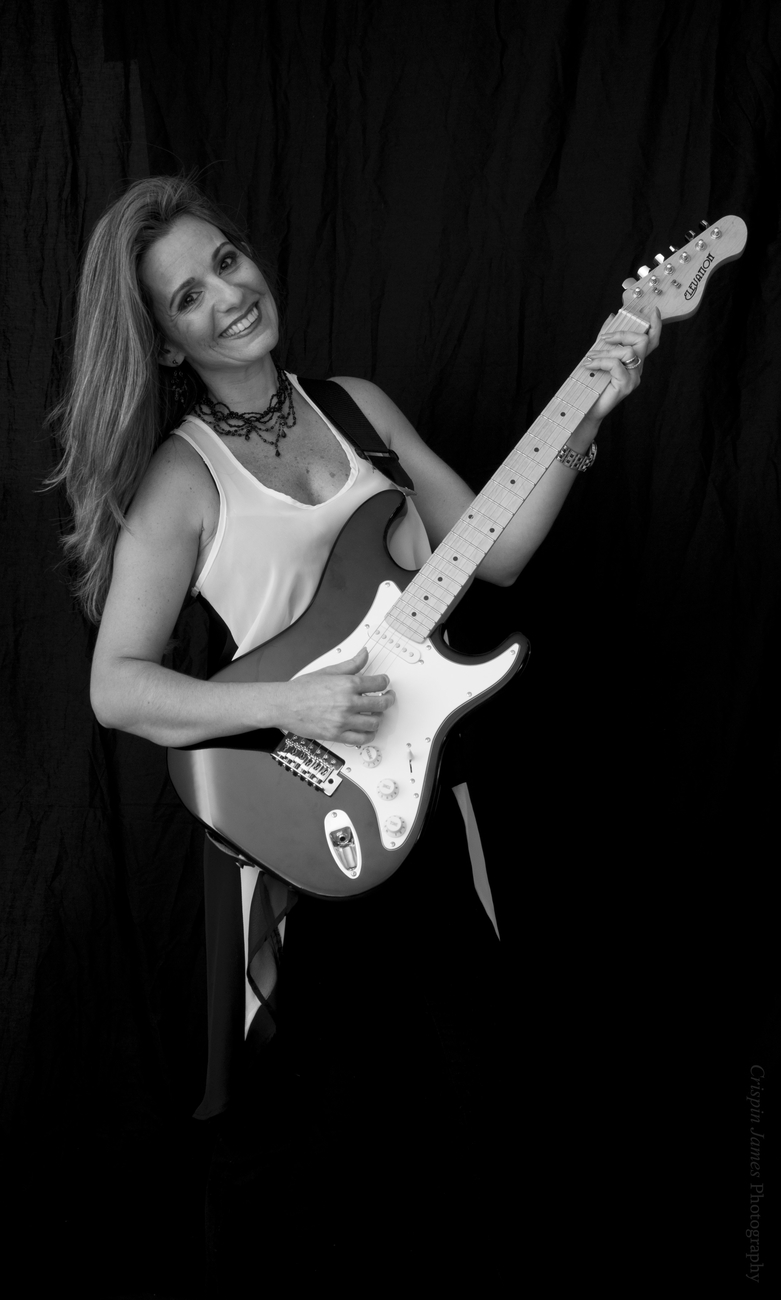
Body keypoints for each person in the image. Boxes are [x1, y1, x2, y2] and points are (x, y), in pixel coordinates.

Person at [50, 175, 660, 1281]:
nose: (228, 295)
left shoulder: (357, 408)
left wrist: (586, 417)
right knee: (321, 1126)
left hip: (422, 790)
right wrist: (290, 702)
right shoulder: (183, 479)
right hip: (308, 817)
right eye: (189, 297)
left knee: (475, 1083)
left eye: (227, 260)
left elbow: (492, 551)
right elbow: (118, 689)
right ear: (168, 342)